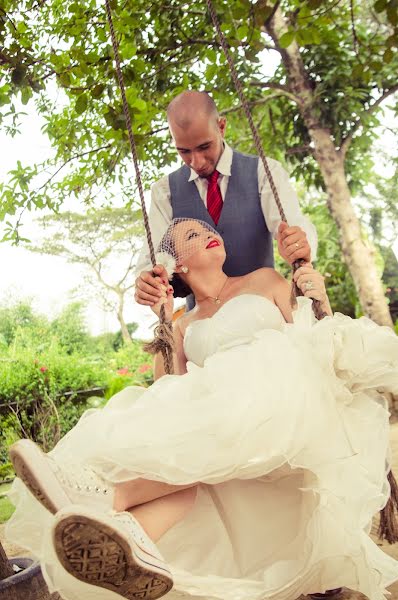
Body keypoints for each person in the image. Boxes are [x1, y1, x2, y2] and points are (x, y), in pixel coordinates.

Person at [6, 218, 398, 600]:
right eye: (194, 234)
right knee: (179, 449)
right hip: (226, 424)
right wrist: (162, 315)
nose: (210, 234)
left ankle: (110, 496)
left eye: (209, 229)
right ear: (179, 266)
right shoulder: (183, 324)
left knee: (226, 409)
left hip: (282, 399)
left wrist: (318, 296)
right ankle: (133, 538)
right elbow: (168, 392)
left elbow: (317, 334)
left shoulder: (265, 280)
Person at [135, 90, 317, 309]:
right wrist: (147, 282)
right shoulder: (165, 192)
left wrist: (298, 247)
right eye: (184, 151)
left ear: (221, 127)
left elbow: (292, 225)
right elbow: (154, 259)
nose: (197, 161)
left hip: (266, 311)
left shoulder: (264, 172)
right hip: (203, 323)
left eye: (204, 147)